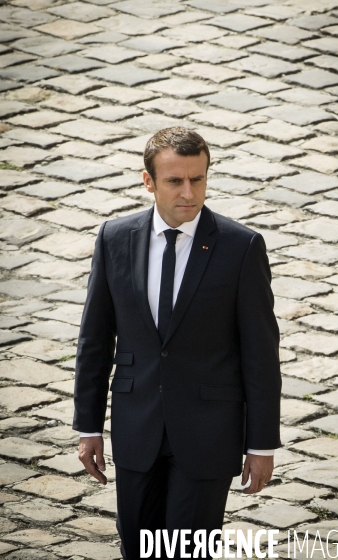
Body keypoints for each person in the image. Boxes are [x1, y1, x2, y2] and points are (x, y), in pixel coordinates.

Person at [73, 127, 281, 560]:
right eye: (175, 181)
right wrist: (89, 426)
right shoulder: (114, 239)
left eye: (198, 179)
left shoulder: (241, 247)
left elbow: (261, 354)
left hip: (208, 437)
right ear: (148, 181)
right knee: (139, 551)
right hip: (136, 431)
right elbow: (95, 338)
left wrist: (260, 446)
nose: (189, 192)